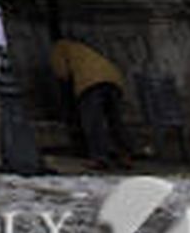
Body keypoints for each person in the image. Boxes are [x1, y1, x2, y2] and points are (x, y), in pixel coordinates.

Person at [50, 37, 133, 170]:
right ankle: (125, 155)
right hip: (113, 79)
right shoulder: (84, 49)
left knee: (93, 122)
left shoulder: (59, 48)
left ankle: (100, 158)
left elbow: (62, 73)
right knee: (115, 120)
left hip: (90, 83)